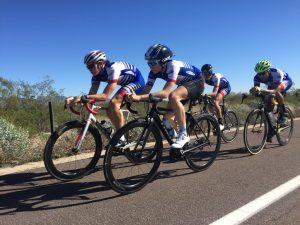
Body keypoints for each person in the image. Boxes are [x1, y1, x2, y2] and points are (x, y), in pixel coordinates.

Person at [128, 44, 204, 150]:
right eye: (148, 62)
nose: (150, 65)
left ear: (163, 61)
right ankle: (179, 139)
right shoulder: (153, 72)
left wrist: (140, 98)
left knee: (173, 96)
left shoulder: (173, 66)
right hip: (184, 85)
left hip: (197, 82)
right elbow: (146, 91)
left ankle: (183, 134)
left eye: (153, 63)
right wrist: (132, 97)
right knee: (166, 118)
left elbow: (166, 92)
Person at [65, 50, 145, 132]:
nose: (89, 69)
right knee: (109, 109)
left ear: (100, 63)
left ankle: (120, 135)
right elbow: (90, 96)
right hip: (126, 84)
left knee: (114, 102)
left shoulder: (113, 69)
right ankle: (119, 134)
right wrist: (76, 99)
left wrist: (81, 97)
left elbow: (105, 96)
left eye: (91, 66)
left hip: (137, 81)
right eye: (88, 67)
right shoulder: (96, 76)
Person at [250, 59, 293, 142]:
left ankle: (283, 114)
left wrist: (264, 91)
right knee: (267, 106)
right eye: (258, 73)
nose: (261, 76)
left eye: (263, 73)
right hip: (271, 85)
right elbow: (257, 90)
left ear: (268, 70)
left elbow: (276, 90)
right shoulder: (256, 77)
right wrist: (254, 92)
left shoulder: (277, 73)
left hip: (285, 82)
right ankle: (272, 128)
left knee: (276, 93)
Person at [201, 64, 231, 130]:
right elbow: (203, 88)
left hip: (225, 88)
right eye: (204, 74)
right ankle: (216, 120)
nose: (205, 76)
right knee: (209, 106)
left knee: (215, 102)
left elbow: (214, 93)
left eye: (207, 74)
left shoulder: (216, 77)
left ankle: (221, 123)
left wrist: (204, 94)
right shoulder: (203, 77)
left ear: (211, 72)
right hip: (218, 89)